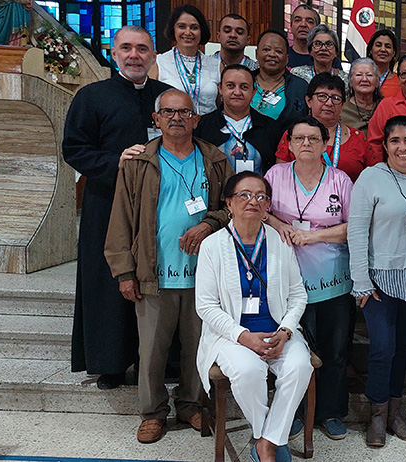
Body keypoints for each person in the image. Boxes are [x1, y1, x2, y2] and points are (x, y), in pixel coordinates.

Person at [105, 89, 232, 444]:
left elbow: (231, 208)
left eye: (184, 112)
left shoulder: (215, 160)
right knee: (152, 352)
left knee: (198, 347)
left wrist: (209, 223)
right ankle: (153, 412)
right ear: (156, 119)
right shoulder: (138, 163)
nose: (177, 118)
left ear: (196, 118)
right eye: (169, 112)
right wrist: (125, 272)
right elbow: (120, 221)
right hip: (153, 274)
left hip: (203, 277)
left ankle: (191, 405)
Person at [63, 25, 172, 390]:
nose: (134, 55)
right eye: (127, 48)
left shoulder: (166, 97)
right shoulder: (91, 97)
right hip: (107, 203)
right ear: (114, 53)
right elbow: (74, 149)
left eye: (142, 49)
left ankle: (154, 359)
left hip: (158, 206)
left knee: (153, 280)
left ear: (154, 55)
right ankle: (109, 362)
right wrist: (115, 163)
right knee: (108, 281)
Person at [194, 171, 313, 462]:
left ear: (268, 205)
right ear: (229, 203)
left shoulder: (279, 241)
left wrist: (285, 332)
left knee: (300, 366)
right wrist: (243, 336)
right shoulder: (213, 246)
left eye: (260, 196)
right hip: (231, 335)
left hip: (278, 332)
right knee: (248, 371)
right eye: (244, 195)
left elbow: (298, 295)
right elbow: (206, 306)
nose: (253, 201)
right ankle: (268, 441)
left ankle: (266, 441)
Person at [348, 116, 406, 448]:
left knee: (402, 347)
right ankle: (376, 413)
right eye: (395, 141)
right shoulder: (370, 178)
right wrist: (361, 280)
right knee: (382, 348)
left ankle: (394, 412)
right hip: (378, 279)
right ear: (385, 145)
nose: (403, 147)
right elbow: (356, 231)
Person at [264, 117, 355, 441]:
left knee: (333, 350)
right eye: (299, 138)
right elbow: (262, 212)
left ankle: (331, 412)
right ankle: (294, 412)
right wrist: (281, 227)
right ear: (289, 144)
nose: (306, 144)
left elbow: (353, 227)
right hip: (287, 282)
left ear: (325, 144)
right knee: (291, 353)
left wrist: (315, 237)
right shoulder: (275, 175)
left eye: (313, 139)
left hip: (332, 281)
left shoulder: (340, 180)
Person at [274, 73, 375, 183]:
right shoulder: (293, 134)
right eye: (322, 96)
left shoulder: (358, 139)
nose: (329, 103)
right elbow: (281, 178)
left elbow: (372, 179)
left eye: (335, 98)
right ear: (308, 101)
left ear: (343, 105)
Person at [196, 64, 280, 174]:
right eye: (230, 86)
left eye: (244, 87)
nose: (237, 92)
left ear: (253, 92)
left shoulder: (271, 128)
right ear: (220, 88)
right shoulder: (202, 126)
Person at [153, 5, 220, 115]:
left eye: (194, 27)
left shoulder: (216, 64)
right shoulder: (159, 62)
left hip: (209, 128)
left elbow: (219, 102)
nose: (188, 32)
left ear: (201, 30)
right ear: (173, 29)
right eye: (182, 26)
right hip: (174, 126)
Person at [367, 54, 406, 159]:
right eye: (404, 74)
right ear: (398, 79)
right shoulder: (387, 106)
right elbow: (374, 145)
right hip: (395, 171)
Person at [251, 30, 309, 128]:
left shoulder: (300, 87)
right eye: (266, 50)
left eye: (278, 51)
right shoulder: (243, 82)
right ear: (257, 54)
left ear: (287, 58)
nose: (272, 54)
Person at [341, 58, 382, 134]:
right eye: (359, 75)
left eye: (369, 75)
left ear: (377, 82)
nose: (364, 79)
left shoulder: (384, 107)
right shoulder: (341, 109)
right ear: (350, 82)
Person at [368, 29, 400, 98]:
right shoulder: (361, 78)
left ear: (394, 53)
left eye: (388, 46)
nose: (383, 49)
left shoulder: (400, 81)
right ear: (370, 50)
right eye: (378, 45)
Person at [287, 4, 319, 68]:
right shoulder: (282, 56)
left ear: (317, 28)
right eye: (298, 20)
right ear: (290, 26)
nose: (303, 25)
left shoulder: (326, 58)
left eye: (309, 21)